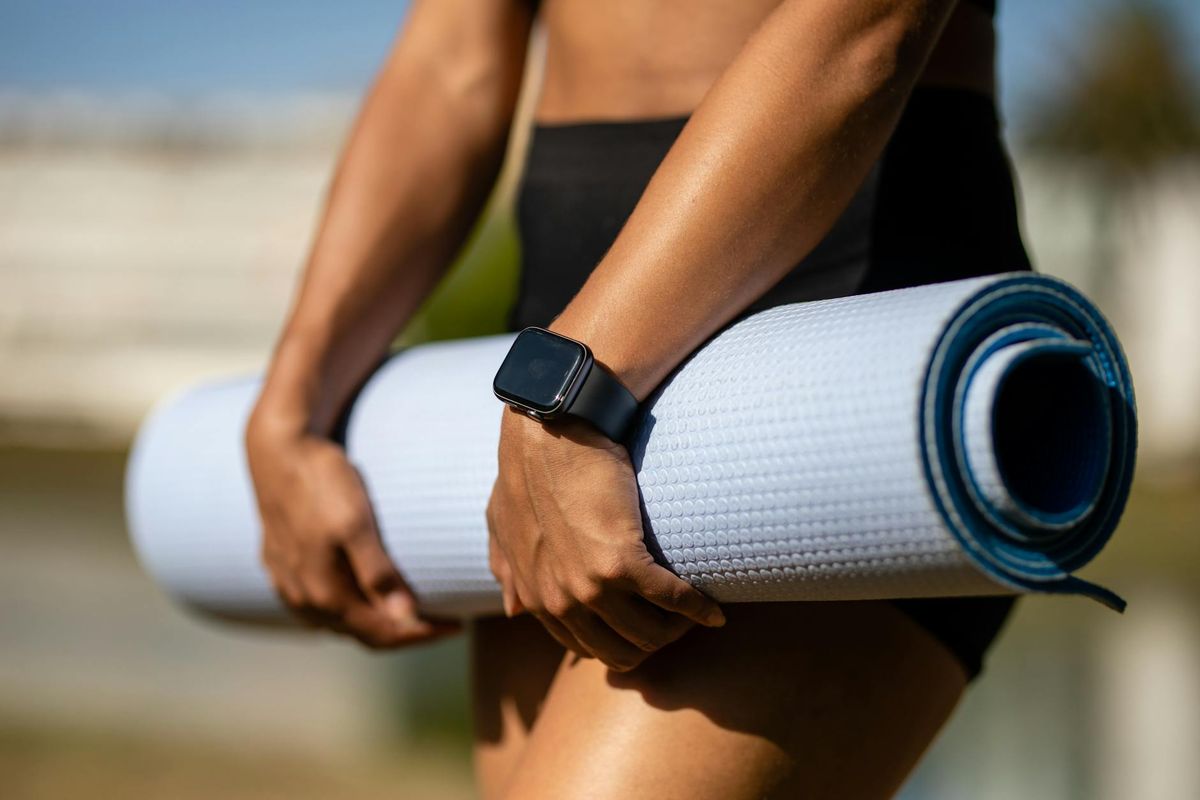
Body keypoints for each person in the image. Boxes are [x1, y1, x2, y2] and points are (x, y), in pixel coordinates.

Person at [246, 0, 1027, 796]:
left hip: (841, 290)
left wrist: (578, 384)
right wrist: (292, 408)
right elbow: (453, 59)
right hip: (569, 293)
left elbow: (870, 23)